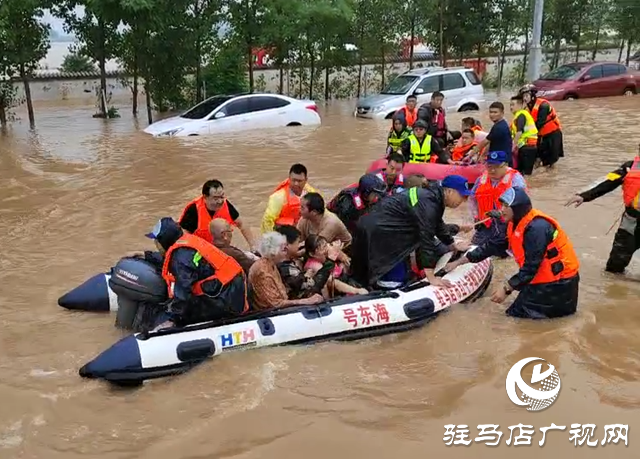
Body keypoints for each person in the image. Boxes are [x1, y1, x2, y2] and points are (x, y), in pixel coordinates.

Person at [446, 187, 579, 319]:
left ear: (518, 208)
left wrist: (506, 289)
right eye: (502, 205)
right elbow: (492, 246)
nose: (501, 210)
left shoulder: (537, 229)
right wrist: (459, 262)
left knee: (515, 319)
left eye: (506, 206)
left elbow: (531, 267)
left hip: (558, 285)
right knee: (514, 314)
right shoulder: (514, 223)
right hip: (542, 281)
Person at [350, 175, 471, 289]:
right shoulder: (430, 203)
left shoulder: (433, 197)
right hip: (381, 233)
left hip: (379, 227)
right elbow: (426, 238)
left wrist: (452, 245)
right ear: (449, 191)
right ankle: (383, 292)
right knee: (391, 276)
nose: (464, 201)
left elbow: (438, 226)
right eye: (462, 196)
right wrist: (431, 277)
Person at [146, 217, 249, 329]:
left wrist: (173, 319)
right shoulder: (187, 242)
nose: (155, 244)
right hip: (233, 288)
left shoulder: (180, 258)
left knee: (179, 311)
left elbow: (184, 293)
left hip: (227, 299)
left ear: (164, 241)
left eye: (156, 241)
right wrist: (147, 255)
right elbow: (168, 258)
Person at [565, 146, 640, 274]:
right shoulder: (629, 168)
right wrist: (584, 195)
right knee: (614, 268)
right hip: (631, 222)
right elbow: (608, 181)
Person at [248, 232, 324, 309]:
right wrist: (306, 301)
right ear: (273, 252)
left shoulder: (271, 264)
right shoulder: (263, 272)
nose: (287, 251)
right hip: (271, 313)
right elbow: (275, 303)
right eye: (284, 249)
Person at [469, 150, 528, 250]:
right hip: (485, 223)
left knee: (504, 253)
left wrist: (501, 213)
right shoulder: (481, 179)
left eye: (496, 167)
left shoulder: (516, 180)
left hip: (507, 225)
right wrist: (476, 217)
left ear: (505, 165)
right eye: (489, 166)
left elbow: (522, 205)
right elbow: (472, 199)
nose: (492, 170)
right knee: (474, 249)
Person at [178, 179, 256, 249]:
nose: (219, 201)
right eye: (215, 198)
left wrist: (253, 246)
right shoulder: (193, 209)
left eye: (221, 197)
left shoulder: (226, 205)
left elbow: (242, 224)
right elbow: (184, 234)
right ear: (205, 197)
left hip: (220, 248)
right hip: (200, 249)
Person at [274, 225, 335, 300]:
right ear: (286, 246)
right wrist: (330, 261)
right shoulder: (285, 268)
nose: (300, 245)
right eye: (297, 242)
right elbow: (311, 289)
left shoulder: (288, 259)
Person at [304, 235, 368, 297]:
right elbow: (333, 282)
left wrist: (338, 252)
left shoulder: (327, 253)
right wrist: (356, 291)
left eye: (326, 245)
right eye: (323, 248)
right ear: (312, 254)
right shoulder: (314, 266)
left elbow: (346, 260)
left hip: (346, 279)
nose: (326, 249)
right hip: (336, 292)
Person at [261, 163, 318, 233]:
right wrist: (270, 240)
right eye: (293, 180)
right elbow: (267, 220)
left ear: (306, 180)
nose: (296, 183)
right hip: (283, 231)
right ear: (289, 178)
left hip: (303, 228)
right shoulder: (278, 197)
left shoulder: (311, 193)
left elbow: (319, 213)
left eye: (299, 181)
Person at [519, 84, 564, 168]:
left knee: (551, 161)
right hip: (539, 136)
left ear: (532, 95)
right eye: (523, 96)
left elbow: (539, 123)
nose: (524, 98)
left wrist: (526, 134)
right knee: (537, 158)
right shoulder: (526, 108)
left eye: (526, 95)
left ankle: (550, 176)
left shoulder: (543, 105)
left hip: (552, 135)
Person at [471, 102, 513, 166]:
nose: (492, 114)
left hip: (502, 162)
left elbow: (484, 143)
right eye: (491, 112)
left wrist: (470, 155)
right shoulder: (500, 125)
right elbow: (490, 142)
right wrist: (483, 155)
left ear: (502, 113)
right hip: (499, 159)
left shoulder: (499, 127)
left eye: (495, 112)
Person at [509, 95, 538, 176]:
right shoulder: (518, 116)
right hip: (526, 147)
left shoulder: (521, 115)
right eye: (510, 105)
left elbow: (519, 132)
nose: (511, 107)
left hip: (527, 147)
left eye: (513, 105)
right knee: (522, 173)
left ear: (520, 105)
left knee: (526, 174)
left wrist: (513, 147)